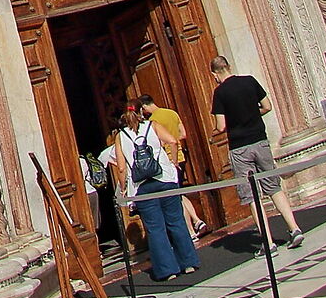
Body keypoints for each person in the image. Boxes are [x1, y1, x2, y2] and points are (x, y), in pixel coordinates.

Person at [210, 55, 304, 248]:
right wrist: (253, 113)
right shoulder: (250, 81)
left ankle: (268, 242)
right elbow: (267, 106)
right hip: (259, 140)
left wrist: (217, 131)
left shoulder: (220, 93)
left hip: (239, 146)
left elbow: (221, 126)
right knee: (274, 187)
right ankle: (294, 228)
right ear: (229, 66)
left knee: (251, 195)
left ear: (215, 74)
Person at [112, 102, 198, 281]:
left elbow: (121, 167)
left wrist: (123, 187)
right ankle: (188, 262)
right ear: (141, 112)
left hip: (142, 186)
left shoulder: (121, 137)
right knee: (176, 221)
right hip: (164, 178)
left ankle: (168, 270)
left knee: (155, 228)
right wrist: (173, 163)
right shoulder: (153, 126)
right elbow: (173, 141)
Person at [136, 90, 208, 235]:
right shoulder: (171, 113)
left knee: (176, 196)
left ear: (144, 107)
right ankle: (196, 221)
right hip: (180, 155)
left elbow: (157, 142)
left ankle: (192, 228)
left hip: (168, 159)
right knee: (180, 192)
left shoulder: (152, 122)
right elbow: (183, 134)